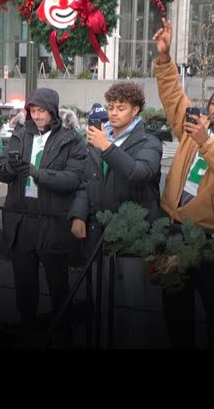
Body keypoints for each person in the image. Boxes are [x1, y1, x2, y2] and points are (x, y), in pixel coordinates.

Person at [0, 87, 86, 341]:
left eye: (42, 110)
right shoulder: (21, 133)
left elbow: (73, 179)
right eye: (32, 110)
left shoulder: (71, 138)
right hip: (21, 219)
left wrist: (36, 173)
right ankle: (27, 329)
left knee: (58, 284)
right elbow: (0, 170)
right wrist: (11, 168)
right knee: (24, 285)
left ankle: (63, 332)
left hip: (52, 220)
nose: (37, 115)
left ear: (53, 111)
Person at [153, 17, 214, 348]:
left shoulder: (203, 136)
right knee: (175, 313)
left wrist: (206, 142)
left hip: (208, 240)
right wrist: (164, 58)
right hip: (175, 230)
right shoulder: (197, 125)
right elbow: (175, 99)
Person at [68, 82, 162, 268]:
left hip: (133, 235)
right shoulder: (99, 139)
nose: (113, 113)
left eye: (121, 108)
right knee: (97, 291)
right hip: (97, 232)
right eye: (110, 107)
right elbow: (87, 182)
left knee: (129, 293)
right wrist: (78, 215)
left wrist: (107, 147)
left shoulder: (149, 142)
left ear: (135, 110)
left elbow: (139, 174)